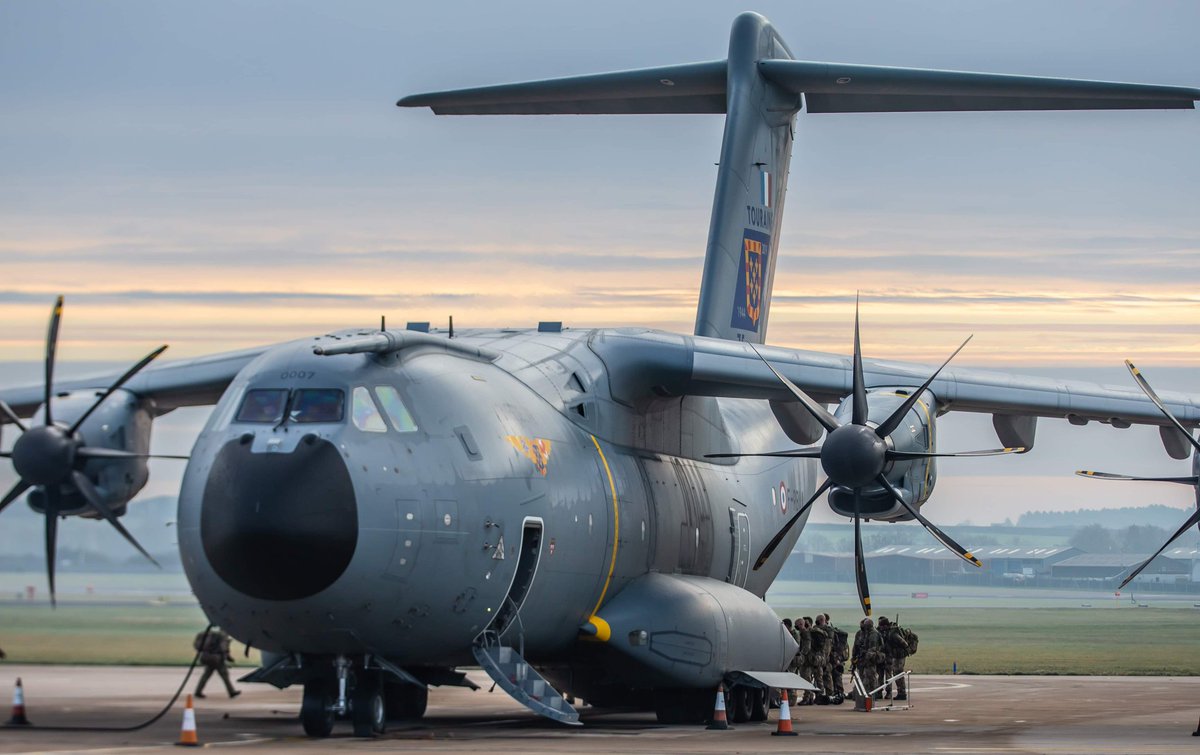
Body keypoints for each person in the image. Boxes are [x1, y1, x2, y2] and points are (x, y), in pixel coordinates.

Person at [194, 627, 241, 699]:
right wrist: (228, 658)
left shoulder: (212, 635)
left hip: (208, 657)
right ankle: (231, 692)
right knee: (225, 676)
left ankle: (198, 691)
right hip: (218, 659)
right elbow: (223, 648)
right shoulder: (223, 637)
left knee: (206, 676)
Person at [852, 617, 885, 700]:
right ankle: (862, 695)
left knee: (871, 677)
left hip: (870, 659)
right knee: (861, 677)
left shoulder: (874, 634)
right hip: (861, 659)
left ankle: (872, 694)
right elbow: (856, 646)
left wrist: (866, 655)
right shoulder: (860, 633)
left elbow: (874, 648)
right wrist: (854, 657)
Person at [878, 616, 910, 701]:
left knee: (898, 673)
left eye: (881, 626)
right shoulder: (888, 632)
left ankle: (902, 693)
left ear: (885, 626)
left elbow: (904, 644)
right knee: (896, 674)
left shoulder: (893, 634)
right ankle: (901, 692)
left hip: (899, 656)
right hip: (895, 656)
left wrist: (898, 650)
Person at [826, 613, 848, 704]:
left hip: (836, 658)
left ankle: (839, 693)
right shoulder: (832, 631)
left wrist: (837, 658)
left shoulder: (832, 632)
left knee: (837, 676)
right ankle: (837, 693)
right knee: (834, 676)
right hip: (835, 658)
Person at [812, 614, 833, 704]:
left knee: (826, 676)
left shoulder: (828, 630)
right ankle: (821, 696)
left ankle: (829, 695)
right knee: (820, 676)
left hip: (826, 656)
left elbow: (829, 637)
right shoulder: (816, 629)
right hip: (821, 656)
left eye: (819, 620)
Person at [795, 617, 816, 705]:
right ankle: (809, 697)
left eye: (797, 625)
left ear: (801, 624)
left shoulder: (805, 633)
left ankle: (807, 698)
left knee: (806, 679)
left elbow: (807, 647)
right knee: (807, 678)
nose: (796, 627)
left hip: (806, 661)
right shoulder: (803, 633)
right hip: (806, 660)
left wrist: (801, 655)